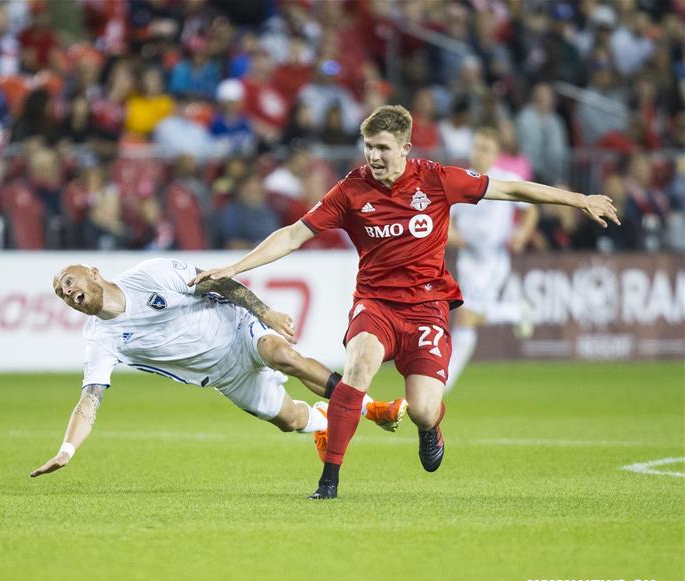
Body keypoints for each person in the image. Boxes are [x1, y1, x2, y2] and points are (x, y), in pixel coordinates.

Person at [191, 105, 619, 499]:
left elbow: (508, 189)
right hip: (375, 305)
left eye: (382, 148)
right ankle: (328, 482)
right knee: (357, 369)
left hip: (427, 309)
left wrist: (579, 199)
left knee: (421, 409)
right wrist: (235, 267)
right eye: (368, 147)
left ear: (405, 148)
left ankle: (431, 427)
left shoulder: (436, 179)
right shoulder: (351, 190)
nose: (373, 156)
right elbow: (292, 234)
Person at [30, 258, 406, 477]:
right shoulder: (100, 340)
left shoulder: (150, 275)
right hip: (224, 376)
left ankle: (373, 408)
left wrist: (265, 312)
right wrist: (67, 450)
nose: (66, 294)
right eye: (61, 294)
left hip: (237, 328)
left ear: (93, 273)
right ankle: (323, 423)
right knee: (291, 420)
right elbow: (89, 400)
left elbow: (218, 282)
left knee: (285, 357)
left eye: (68, 282)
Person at [444, 127, 539, 394]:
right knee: (464, 318)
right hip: (467, 258)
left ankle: (444, 385)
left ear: (496, 154)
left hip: (492, 260)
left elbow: (530, 209)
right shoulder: (459, 182)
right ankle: (515, 311)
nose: (479, 152)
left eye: (485, 148)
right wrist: (453, 235)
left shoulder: (505, 180)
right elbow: (447, 218)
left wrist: (522, 232)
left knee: (466, 317)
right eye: (476, 146)